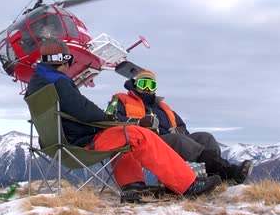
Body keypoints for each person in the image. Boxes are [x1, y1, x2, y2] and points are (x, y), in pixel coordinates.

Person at [24, 38, 221, 196]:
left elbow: (74, 110)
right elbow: (83, 109)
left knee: (123, 136)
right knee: (138, 134)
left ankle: (132, 185)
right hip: (80, 143)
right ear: (64, 60)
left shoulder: (38, 83)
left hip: (58, 142)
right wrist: (107, 120)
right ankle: (188, 184)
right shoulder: (59, 82)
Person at [107, 70, 253, 184]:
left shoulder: (163, 107)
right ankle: (228, 172)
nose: (146, 88)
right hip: (143, 143)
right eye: (143, 84)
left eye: (151, 85)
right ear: (134, 84)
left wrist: (180, 130)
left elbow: (182, 127)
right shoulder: (122, 100)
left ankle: (214, 179)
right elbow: (111, 119)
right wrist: (138, 122)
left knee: (205, 137)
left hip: (168, 142)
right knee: (178, 140)